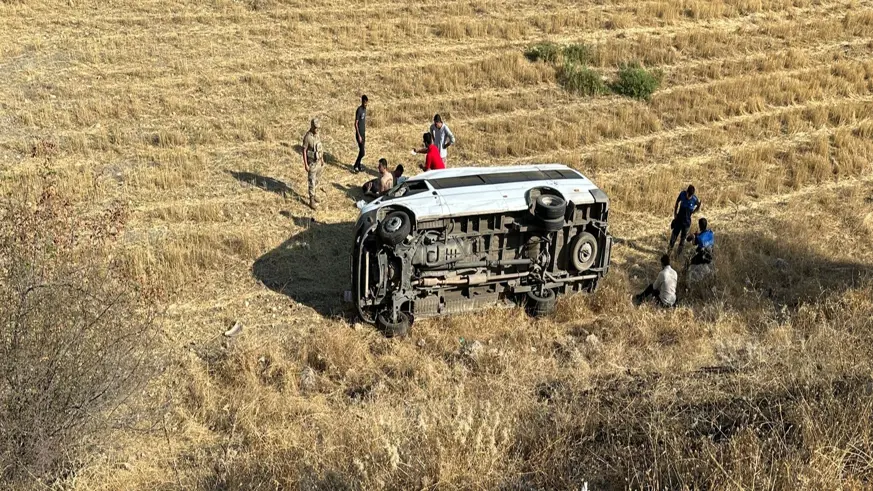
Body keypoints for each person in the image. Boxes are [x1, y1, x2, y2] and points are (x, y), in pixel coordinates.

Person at [668, 185, 701, 256]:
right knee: (673, 237)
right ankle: (669, 253)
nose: (688, 197)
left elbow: (698, 206)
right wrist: (675, 213)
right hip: (679, 220)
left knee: (682, 240)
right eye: (688, 195)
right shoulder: (682, 194)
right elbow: (677, 202)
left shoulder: (694, 199)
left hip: (687, 223)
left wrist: (693, 212)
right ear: (686, 192)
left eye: (690, 195)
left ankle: (677, 256)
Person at [301, 118, 324, 210]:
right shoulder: (307, 137)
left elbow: (320, 147)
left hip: (318, 162)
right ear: (312, 126)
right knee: (312, 181)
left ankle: (315, 195)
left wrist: (322, 159)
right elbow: (304, 150)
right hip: (312, 163)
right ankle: (311, 200)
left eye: (318, 128)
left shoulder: (317, 135)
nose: (317, 129)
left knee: (317, 180)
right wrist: (306, 164)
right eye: (315, 128)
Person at [353, 95, 368, 173]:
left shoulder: (365, 110)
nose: (366, 104)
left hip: (363, 134)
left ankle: (359, 165)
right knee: (362, 152)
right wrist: (358, 135)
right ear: (362, 101)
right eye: (364, 102)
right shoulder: (359, 110)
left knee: (361, 151)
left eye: (367, 103)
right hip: (359, 135)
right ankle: (355, 165)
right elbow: (356, 124)